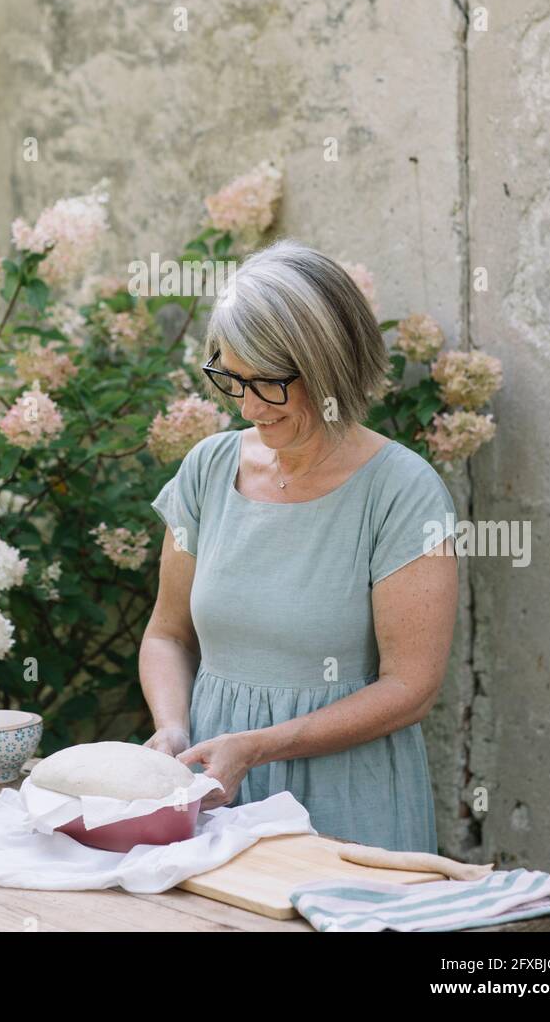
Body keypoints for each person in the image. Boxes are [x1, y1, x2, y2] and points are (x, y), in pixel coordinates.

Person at [140, 238, 458, 851]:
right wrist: (174, 726)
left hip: (345, 803)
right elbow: (168, 633)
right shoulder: (208, 469)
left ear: (330, 367)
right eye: (232, 378)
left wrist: (260, 745)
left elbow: (410, 688)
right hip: (214, 795)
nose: (250, 405)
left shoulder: (402, 490)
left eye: (271, 383)